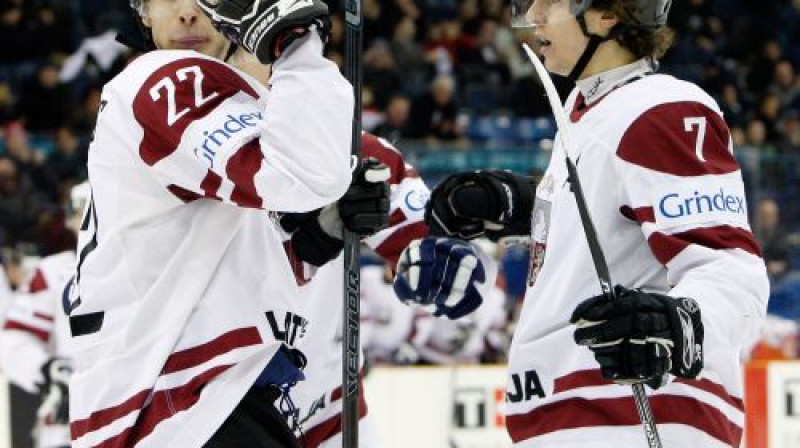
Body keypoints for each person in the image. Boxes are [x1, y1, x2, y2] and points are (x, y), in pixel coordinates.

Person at [394, 0, 769, 446]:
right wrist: (521, 206)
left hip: (633, 415)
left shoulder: (659, 107)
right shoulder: (588, 111)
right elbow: (609, 228)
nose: (533, 15)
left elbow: (730, 269)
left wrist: (677, 325)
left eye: (550, 2)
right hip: (573, 416)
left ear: (608, 14)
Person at [67, 0, 363, 447]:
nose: (188, 12)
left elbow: (217, 255)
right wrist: (296, 43)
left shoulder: (206, 99)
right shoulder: (167, 78)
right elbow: (303, 176)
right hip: (183, 405)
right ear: (142, 12)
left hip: (177, 404)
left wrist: (313, 241)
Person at [0, 182, 89, 448]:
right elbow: (14, 339)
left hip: (139, 419)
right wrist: (48, 371)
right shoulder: (54, 273)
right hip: (69, 426)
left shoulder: (149, 270)